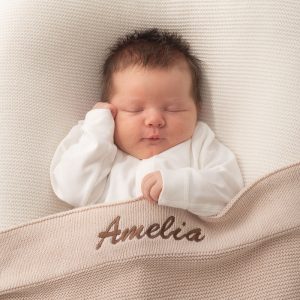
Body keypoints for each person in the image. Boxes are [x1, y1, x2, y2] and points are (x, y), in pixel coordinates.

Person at [50, 28, 244, 217]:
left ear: (197, 110)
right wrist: (97, 130)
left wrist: (179, 186)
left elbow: (231, 191)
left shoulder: (199, 143)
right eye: (135, 109)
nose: (155, 121)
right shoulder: (102, 147)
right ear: (111, 112)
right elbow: (71, 190)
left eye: (173, 109)